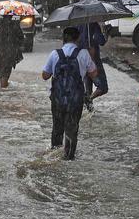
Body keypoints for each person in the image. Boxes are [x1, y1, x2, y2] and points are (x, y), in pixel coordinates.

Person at [41, 26, 98, 160]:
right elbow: (94, 74)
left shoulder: (55, 54)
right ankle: (69, 157)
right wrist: (92, 56)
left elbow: (45, 76)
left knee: (57, 128)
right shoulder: (84, 53)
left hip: (58, 99)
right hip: (75, 99)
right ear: (78, 38)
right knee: (72, 129)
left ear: (63, 39)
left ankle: (54, 156)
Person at [76, 21, 109, 109]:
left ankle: (89, 112)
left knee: (88, 89)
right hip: (93, 61)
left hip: (82, 61)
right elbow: (101, 41)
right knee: (103, 87)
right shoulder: (94, 25)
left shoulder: (77, 25)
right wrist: (105, 31)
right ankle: (88, 99)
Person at [0, 14, 25, 88]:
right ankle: (3, 90)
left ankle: (2, 89)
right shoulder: (15, 25)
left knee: (0, 72)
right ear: (12, 16)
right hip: (9, 52)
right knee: (5, 73)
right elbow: (21, 38)